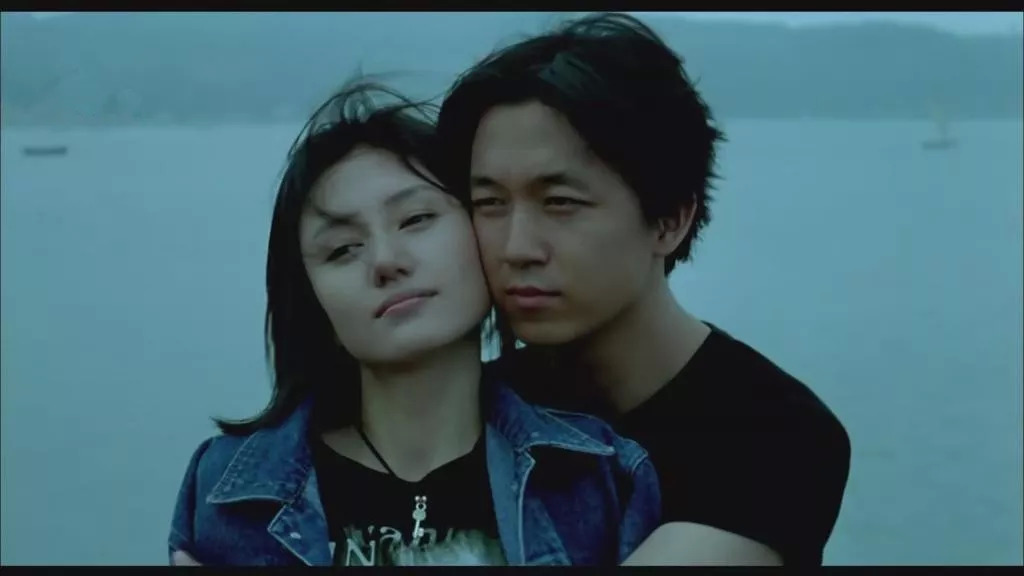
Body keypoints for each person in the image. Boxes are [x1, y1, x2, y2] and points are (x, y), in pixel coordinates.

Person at [167, 80, 661, 566]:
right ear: (313, 302)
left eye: (416, 220)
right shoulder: (227, 488)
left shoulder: (597, 476)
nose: (386, 261)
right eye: (342, 249)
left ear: (480, 233)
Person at [435, 12, 852, 566]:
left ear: (669, 220)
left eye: (560, 203)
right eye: (489, 203)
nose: (516, 247)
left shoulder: (774, 431)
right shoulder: (467, 408)